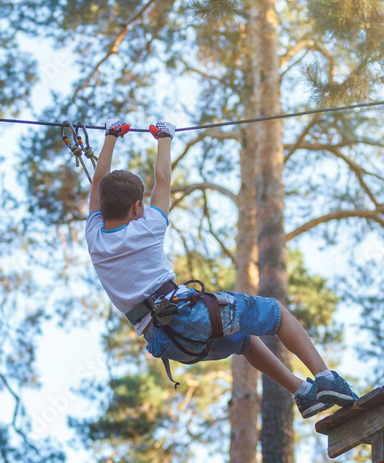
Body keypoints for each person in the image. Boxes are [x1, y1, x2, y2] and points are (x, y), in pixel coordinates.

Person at [84, 118, 357, 418]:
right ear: (137, 207)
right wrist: (164, 136)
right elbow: (163, 180)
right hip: (189, 317)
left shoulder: (94, 238)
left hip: (170, 344)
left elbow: (98, 183)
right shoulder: (148, 227)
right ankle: (326, 377)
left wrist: (110, 135)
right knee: (277, 313)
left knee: (244, 341)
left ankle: (302, 392)